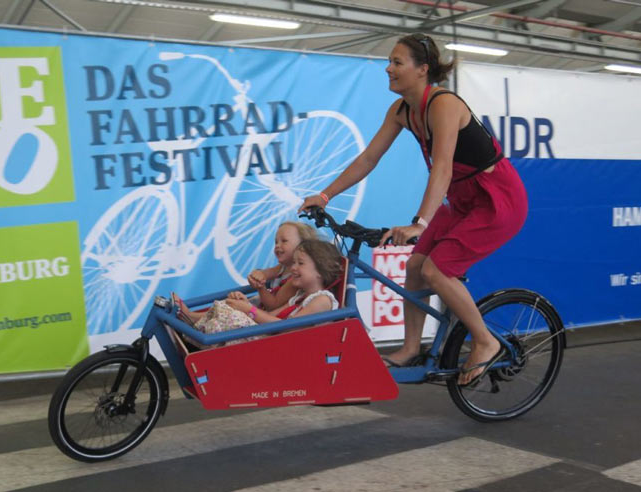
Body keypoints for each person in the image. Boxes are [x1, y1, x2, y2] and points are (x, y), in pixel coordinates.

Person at [299, 33, 528, 386]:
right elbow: (369, 158)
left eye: (397, 62)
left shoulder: (444, 104)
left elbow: (443, 167)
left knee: (437, 270)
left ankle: (485, 342)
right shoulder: (402, 110)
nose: (388, 68)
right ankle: (410, 348)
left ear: (423, 70)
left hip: (496, 199)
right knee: (415, 266)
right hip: (462, 199)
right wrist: (325, 195)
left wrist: (421, 222)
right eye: (389, 61)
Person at [176, 239, 343, 344]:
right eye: (294, 263)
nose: (293, 268)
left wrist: (250, 311)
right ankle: (194, 323)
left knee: (228, 312)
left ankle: (198, 331)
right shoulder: (301, 295)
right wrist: (246, 306)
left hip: (282, 345)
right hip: (275, 338)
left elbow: (287, 327)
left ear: (320, 271)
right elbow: (275, 315)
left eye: (301, 263)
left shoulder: (322, 300)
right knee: (227, 307)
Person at [175, 221, 318, 326]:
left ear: (303, 246)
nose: (277, 246)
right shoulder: (282, 267)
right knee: (231, 302)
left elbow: (272, 305)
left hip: (263, 314)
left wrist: (260, 287)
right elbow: (264, 273)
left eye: (284, 241)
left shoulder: (295, 279)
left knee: (231, 306)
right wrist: (258, 275)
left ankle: (193, 318)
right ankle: (194, 317)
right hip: (260, 310)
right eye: (276, 242)